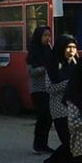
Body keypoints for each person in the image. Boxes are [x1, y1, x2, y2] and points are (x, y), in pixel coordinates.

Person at [44, 34, 78, 163]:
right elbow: (50, 88)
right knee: (70, 142)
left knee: (74, 142)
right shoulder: (52, 65)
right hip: (59, 109)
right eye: (68, 47)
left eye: (74, 47)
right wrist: (67, 83)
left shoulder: (77, 64)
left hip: (76, 108)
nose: (71, 51)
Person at [27, 26, 54, 154]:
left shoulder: (49, 50)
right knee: (42, 116)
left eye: (49, 35)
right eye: (45, 36)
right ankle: (37, 144)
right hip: (37, 89)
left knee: (49, 118)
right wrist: (44, 68)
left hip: (49, 88)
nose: (47, 38)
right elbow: (30, 72)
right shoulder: (33, 51)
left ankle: (44, 144)